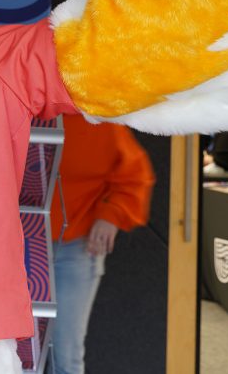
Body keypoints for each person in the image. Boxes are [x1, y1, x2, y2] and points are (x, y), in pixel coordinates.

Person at [48, 114, 155, 374]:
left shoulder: (100, 120)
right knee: (14, 352)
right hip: (19, 247)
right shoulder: (20, 109)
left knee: (65, 355)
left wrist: (111, 214)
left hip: (75, 246)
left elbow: (134, 175)